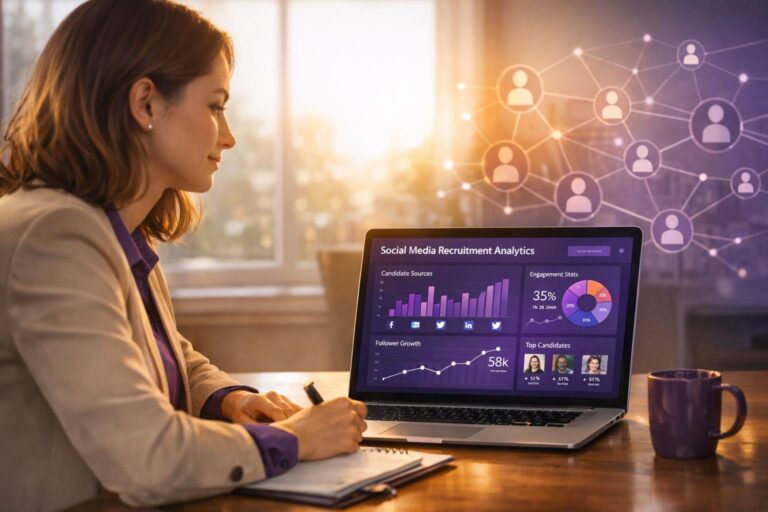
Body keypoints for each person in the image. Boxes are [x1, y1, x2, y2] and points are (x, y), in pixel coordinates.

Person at [0, 1, 366, 510]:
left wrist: (229, 398)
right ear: (146, 103)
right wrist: (299, 438)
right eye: (215, 106)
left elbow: (158, 354)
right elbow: (147, 458)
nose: (230, 136)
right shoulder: (54, 236)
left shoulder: (111, 230)